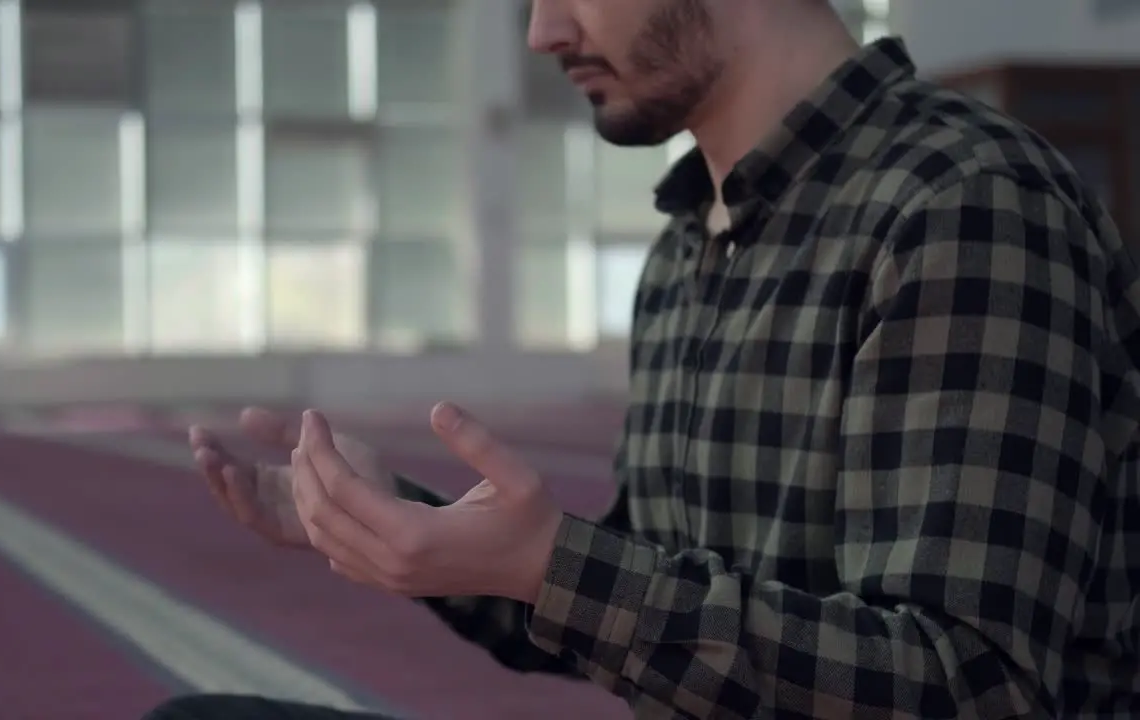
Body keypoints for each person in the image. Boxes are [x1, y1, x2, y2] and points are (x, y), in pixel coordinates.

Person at [145, 0, 1140, 718]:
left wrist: (552, 566)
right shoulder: (685, 246)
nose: (541, 31)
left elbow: (966, 688)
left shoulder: (961, 206)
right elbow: (646, 590)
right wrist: (423, 533)